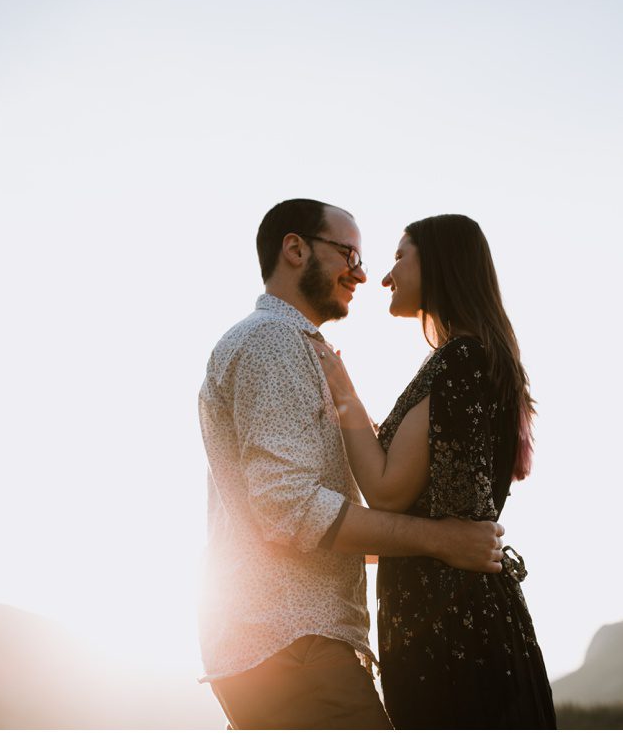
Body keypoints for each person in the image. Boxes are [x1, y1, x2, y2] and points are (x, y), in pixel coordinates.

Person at [197, 199, 507, 731]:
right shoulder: (272, 343)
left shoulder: (294, 347)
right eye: (350, 253)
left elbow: (296, 519)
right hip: (293, 644)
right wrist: (441, 540)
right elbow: (292, 510)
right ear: (294, 249)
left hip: (289, 643)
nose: (363, 273)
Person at [308, 213, 557, 729]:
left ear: (440, 263)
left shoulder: (460, 359)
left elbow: (388, 492)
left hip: (450, 627)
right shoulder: (479, 357)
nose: (385, 275)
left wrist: (346, 397)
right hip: (457, 614)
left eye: (401, 256)